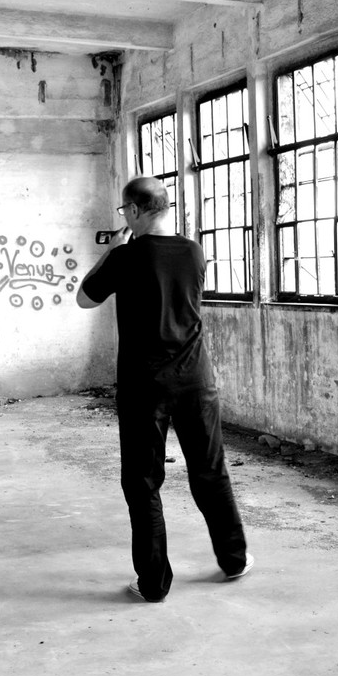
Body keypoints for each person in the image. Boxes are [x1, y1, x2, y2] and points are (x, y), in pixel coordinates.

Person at [77, 176, 252, 602]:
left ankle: (153, 584)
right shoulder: (194, 251)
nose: (125, 217)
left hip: (144, 385)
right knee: (210, 470)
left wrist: (111, 251)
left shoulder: (125, 256)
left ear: (135, 211)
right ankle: (234, 559)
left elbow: (85, 298)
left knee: (143, 482)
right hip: (195, 378)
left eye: (125, 211)